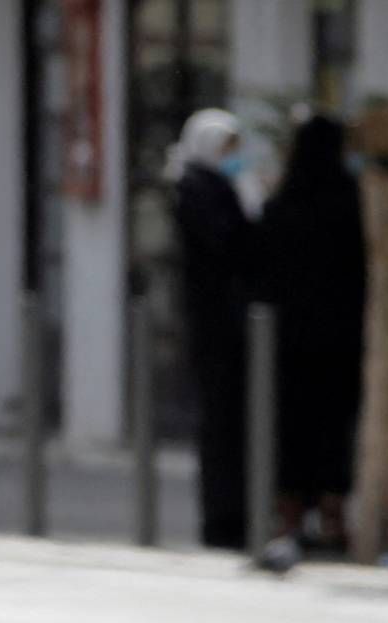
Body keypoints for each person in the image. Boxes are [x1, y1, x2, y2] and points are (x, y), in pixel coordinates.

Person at [258, 113, 365, 552]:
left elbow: (259, 268)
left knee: (292, 431)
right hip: (341, 339)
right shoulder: (352, 202)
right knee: (334, 429)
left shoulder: (283, 204)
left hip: (288, 341)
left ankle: (289, 520)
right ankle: (334, 520)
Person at [169, 108, 259, 550]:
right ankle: (222, 520)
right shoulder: (195, 189)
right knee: (219, 425)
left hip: (234, 325)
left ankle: (237, 515)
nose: (234, 158)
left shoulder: (218, 186)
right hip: (214, 326)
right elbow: (228, 245)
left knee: (235, 425)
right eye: (227, 149)